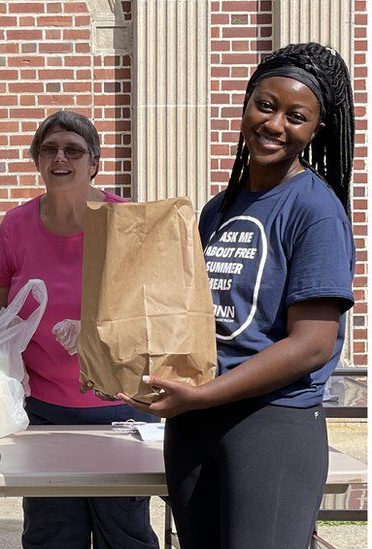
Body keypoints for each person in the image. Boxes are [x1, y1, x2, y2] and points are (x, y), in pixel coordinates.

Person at [119, 43, 355, 549]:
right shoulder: (216, 210)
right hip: (197, 424)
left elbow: (313, 343)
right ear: (246, 104)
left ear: (317, 130)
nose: (274, 124)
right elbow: (192, 318)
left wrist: (203, 395)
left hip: (271, 425)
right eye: (265, 105)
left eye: (296, 116)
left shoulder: (315, 210)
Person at [0, 110, 160, 549]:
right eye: (49, 149)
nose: (60, 158)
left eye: (73, 150)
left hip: (116, 408)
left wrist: (98, 331)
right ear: (37, 161)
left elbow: (157, 313)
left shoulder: (124, 221)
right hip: (42, 411)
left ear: (94, 163)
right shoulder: (16, 225)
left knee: (124, 534)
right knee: (51, 534)